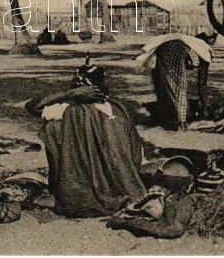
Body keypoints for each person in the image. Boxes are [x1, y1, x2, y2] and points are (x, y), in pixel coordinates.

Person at [25, 57, 147, 218]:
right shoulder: (118, 108)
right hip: (127, 182)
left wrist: (69, 94)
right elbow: (137, 155)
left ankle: (64, 188)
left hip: (84, 188)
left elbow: (32, 106)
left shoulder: (68, 110)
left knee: (52, 129)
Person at [136, 33, 214, 131]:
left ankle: (169, 118)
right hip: (174, 50)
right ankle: (180, 122)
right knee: (180, 86)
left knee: (164, 85)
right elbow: (201, 85)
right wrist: (205, 108)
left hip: (162, 49)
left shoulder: (194, 44)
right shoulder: (205, 54)